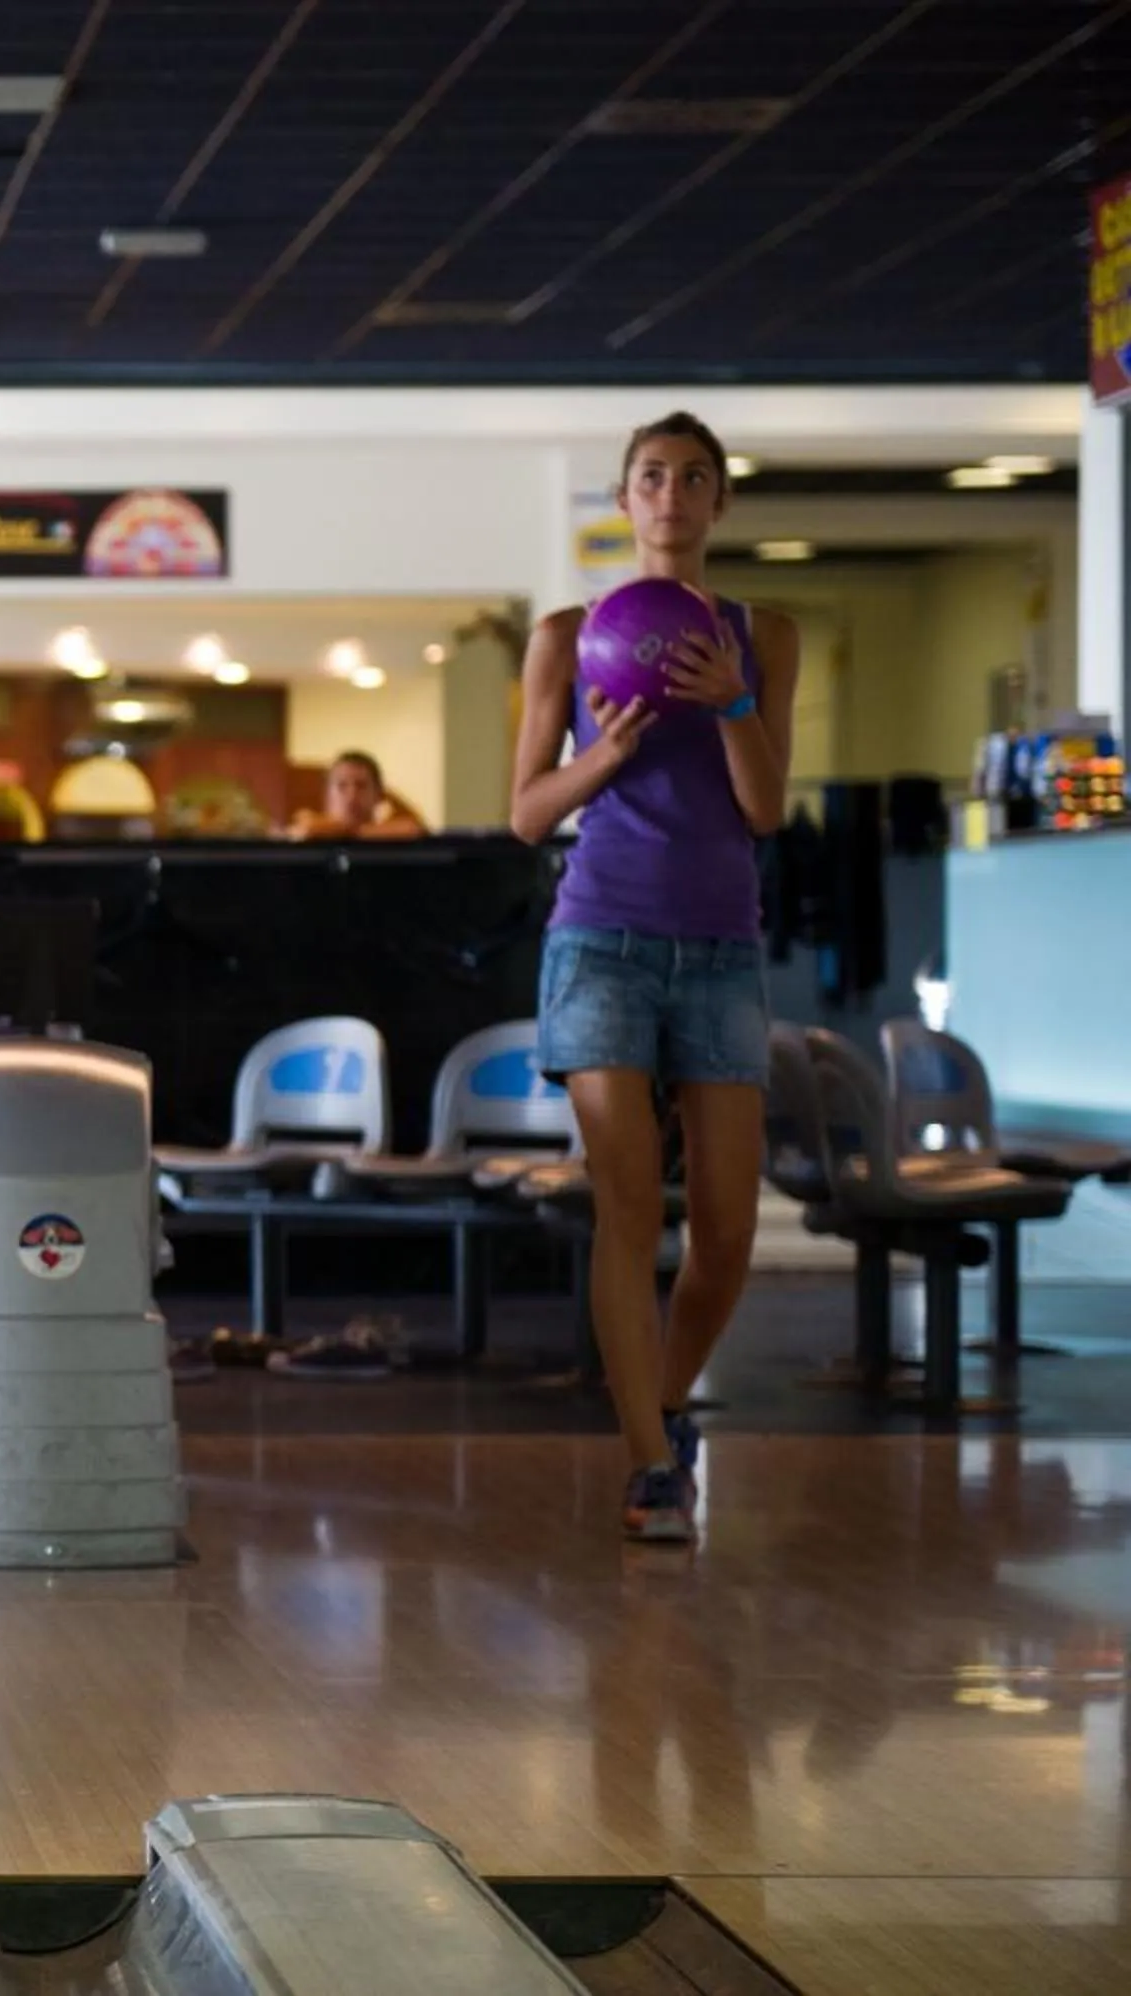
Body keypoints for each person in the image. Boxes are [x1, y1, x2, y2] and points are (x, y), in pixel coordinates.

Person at [510, 412, 796, 1545]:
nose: (670, 493)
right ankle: (646, 1466)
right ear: (623, 501)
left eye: (692, 478)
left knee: (727, 1230)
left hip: (721, 944)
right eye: (650, 477)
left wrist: (730, 701)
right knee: (628, 1207)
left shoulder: (766, 631)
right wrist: (607, 755)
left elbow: (766, 809)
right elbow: (527, 812)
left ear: (719, 502)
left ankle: (663, 1405)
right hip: (602, 941)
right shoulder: (565, 636)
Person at [288, 751, 426, 841]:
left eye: (361, 786)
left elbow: (412, 829)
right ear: (327, 795)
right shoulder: (308, 834)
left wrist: (350, 831)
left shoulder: (392, 837)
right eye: (342, 786)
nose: (352, 795)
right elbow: (302, 831)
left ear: (378, 794)